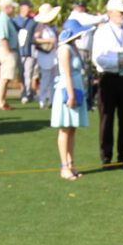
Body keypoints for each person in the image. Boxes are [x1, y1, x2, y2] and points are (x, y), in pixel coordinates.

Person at [92, 0, 123, 166]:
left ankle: (122, 156)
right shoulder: (102, 31)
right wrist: (117, 62)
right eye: (120, 12)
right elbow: (97, 58)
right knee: (107, 118)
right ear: (110, 13)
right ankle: (106, 156)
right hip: (108, 78)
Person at [52, 19, 91, 180]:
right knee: (65, 128)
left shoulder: (73, 47)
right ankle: (64, 166)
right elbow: (66, 74)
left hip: (77, 86)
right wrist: (71, 95)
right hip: (68, 88)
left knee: (72, 128)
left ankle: (71, 163)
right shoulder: (64, 49)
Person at [32, 4, 61, 108]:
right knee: (45, 78)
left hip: (53, 55)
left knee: (54, 78)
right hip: (45, 54)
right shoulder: (40, 27)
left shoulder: (50, 27)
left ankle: (52, 100)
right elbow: (35, 39)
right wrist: (48, 40)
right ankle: (42, 100)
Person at [0, 0, 18, 110]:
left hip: (7, 49)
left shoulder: (6, 19)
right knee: (4, 77)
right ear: (7, 7)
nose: (14, 9)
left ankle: (2, 100)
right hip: (6, 50)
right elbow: (3, 37)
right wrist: (8, 53)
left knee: (6, 77)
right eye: (12, 7)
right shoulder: (3, 19)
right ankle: (0, 101)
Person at [15, 1, 36, 103]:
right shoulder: (15, 20)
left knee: (28, 73)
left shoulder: (33, 21)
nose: (29, 9)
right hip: (18, 51)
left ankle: (26, 93)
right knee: (21, 73)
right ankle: (25, 91)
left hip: (30, 51)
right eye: (28, 7)